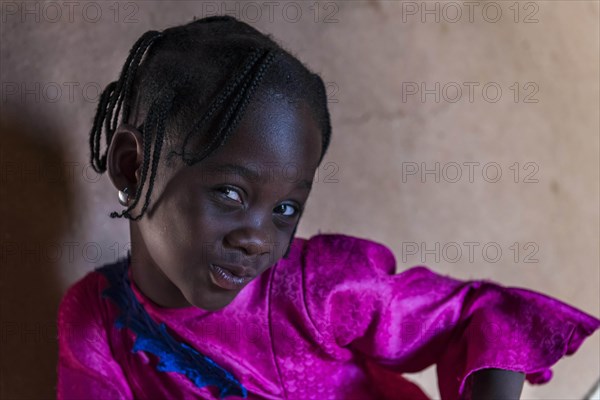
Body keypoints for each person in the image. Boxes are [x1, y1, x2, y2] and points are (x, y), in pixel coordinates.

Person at [57, 15, 600, 400]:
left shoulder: (317, 288)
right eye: (231, 193)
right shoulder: (97, 324)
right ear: (132, 166)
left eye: (286, 210)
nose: (258, 239)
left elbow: (478, 315)